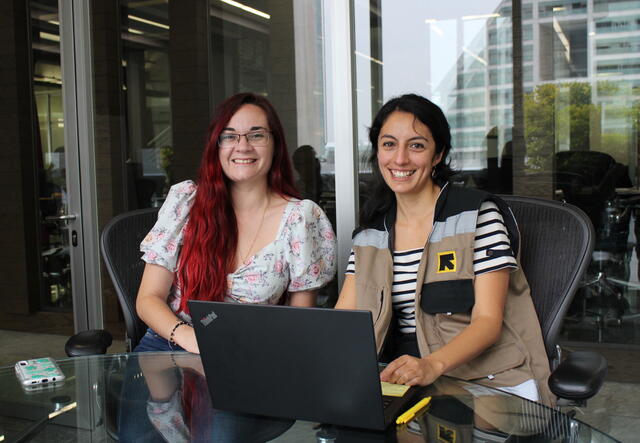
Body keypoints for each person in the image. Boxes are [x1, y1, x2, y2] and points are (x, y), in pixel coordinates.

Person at [335, 94, 553, 406]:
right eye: (389, 144)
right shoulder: (371, 234)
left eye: (417, 145)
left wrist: (431, 365)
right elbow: (344, 322)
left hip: (482, 378)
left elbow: (488, 322)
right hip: (399, 377)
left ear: (439, 154)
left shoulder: (478, 215)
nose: (400, 159)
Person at [135, 92, 337, 354]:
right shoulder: (186, 202)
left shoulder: (301, 219)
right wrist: (189, 338)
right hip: (170, 343)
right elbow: (148, 299)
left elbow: (298, 325)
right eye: (229, 136)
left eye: (256, 135)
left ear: (275, 144)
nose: (243, 146)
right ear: (216, 146)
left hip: (252, 353)